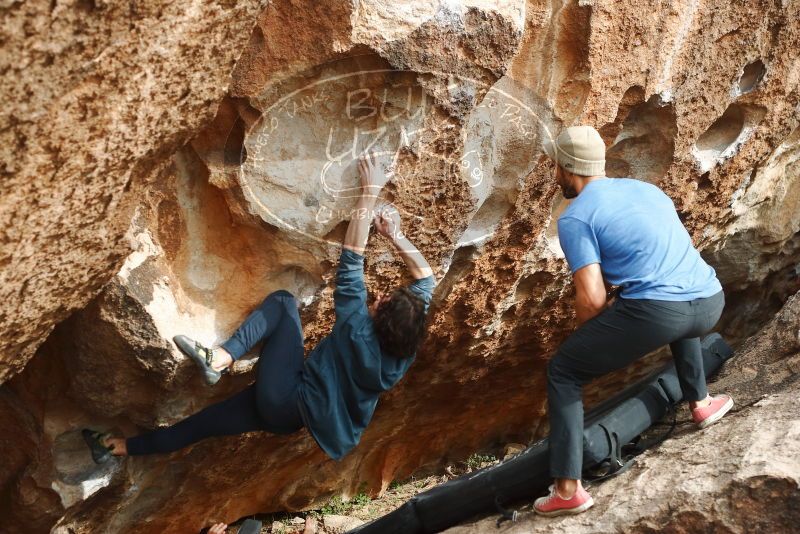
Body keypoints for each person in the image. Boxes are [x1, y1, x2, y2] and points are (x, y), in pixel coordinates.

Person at [83, 151, 435, 465]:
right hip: (288, 417)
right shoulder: (400, 354)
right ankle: (120, 448)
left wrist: (368, 192)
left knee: (282, 304)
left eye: (381, 302)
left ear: (379, 319)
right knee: (201, 425)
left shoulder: (356, 327)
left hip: (287, 395)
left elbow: (353, 255)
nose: (377, 298)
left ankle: (219, 358)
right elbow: (426, 281)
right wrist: (395, 235)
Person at [533, 126, 732, 517]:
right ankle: (702, 401)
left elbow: (590, 299)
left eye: (556, 166)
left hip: (660, 314)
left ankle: (567, 489)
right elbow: (667, 260)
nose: (555, 174)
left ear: (566, 169)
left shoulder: (576, 218)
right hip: (710, 300)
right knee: (668, 297)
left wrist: (596, 325)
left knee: (564, 370)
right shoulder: (647, 190)